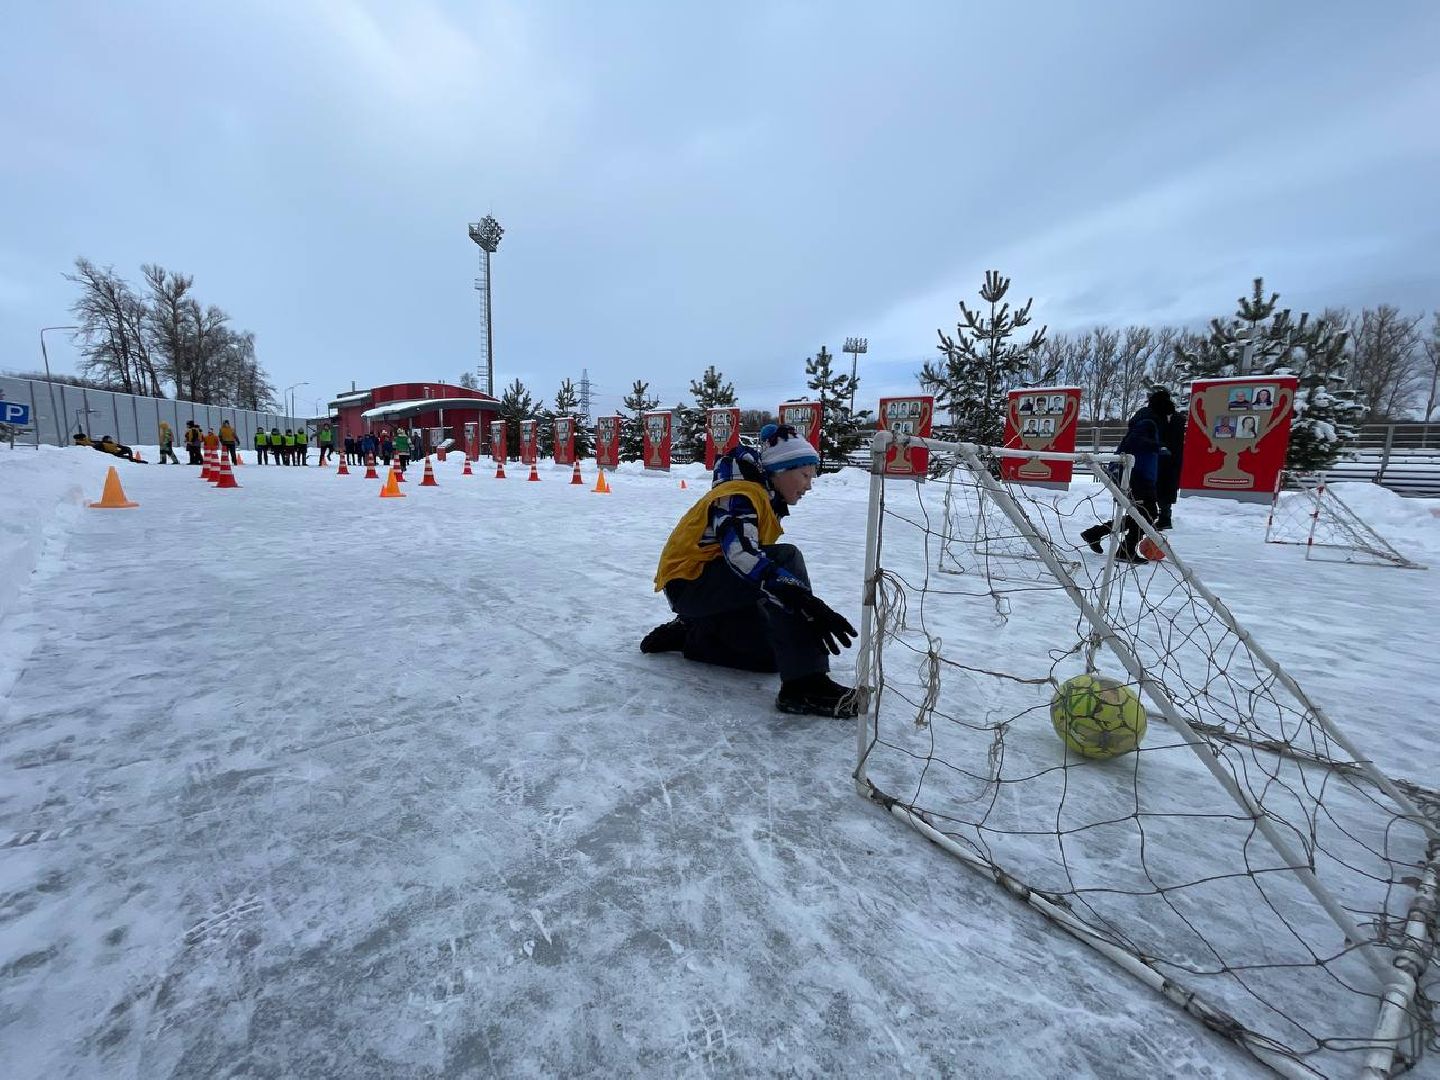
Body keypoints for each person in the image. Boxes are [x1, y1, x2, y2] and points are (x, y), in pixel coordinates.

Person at [641, 424, 859, 718]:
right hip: (691, 585)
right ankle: (805, 685)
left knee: (772, 656)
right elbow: (741, 554)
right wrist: (798, 595)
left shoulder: (763, 498)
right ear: (780, 471)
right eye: (805, 475)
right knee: (786, 558)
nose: (809, 485)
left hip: (712, 591)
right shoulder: (740, 495)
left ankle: (696, 634)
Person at [1081, 387, 1173, 562]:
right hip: (1137, 475)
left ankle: (1096, 533)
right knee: (1148, 514)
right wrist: (1158, 448)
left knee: (1141, 514)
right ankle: (1124, 549)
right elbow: (1134, 442)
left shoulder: (1147, 419)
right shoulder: (1149, 421)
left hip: (1140, 474)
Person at [1155, 398, 1185, 531]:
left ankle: (1165, 517)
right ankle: (1161, 516)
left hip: (1173, 459)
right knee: (1159, 487)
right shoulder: (1158, 418)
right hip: (1160, 458)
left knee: (1168, 488)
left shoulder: (1178, 419)